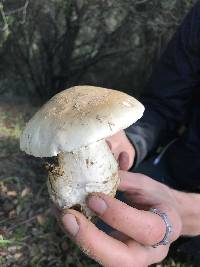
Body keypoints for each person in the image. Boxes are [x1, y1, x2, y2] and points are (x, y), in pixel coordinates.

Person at [59, 1, 200, 266]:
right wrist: (131, 141)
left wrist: (191, 212)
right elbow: (162, 104)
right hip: (178, 167)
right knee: (101, 226)